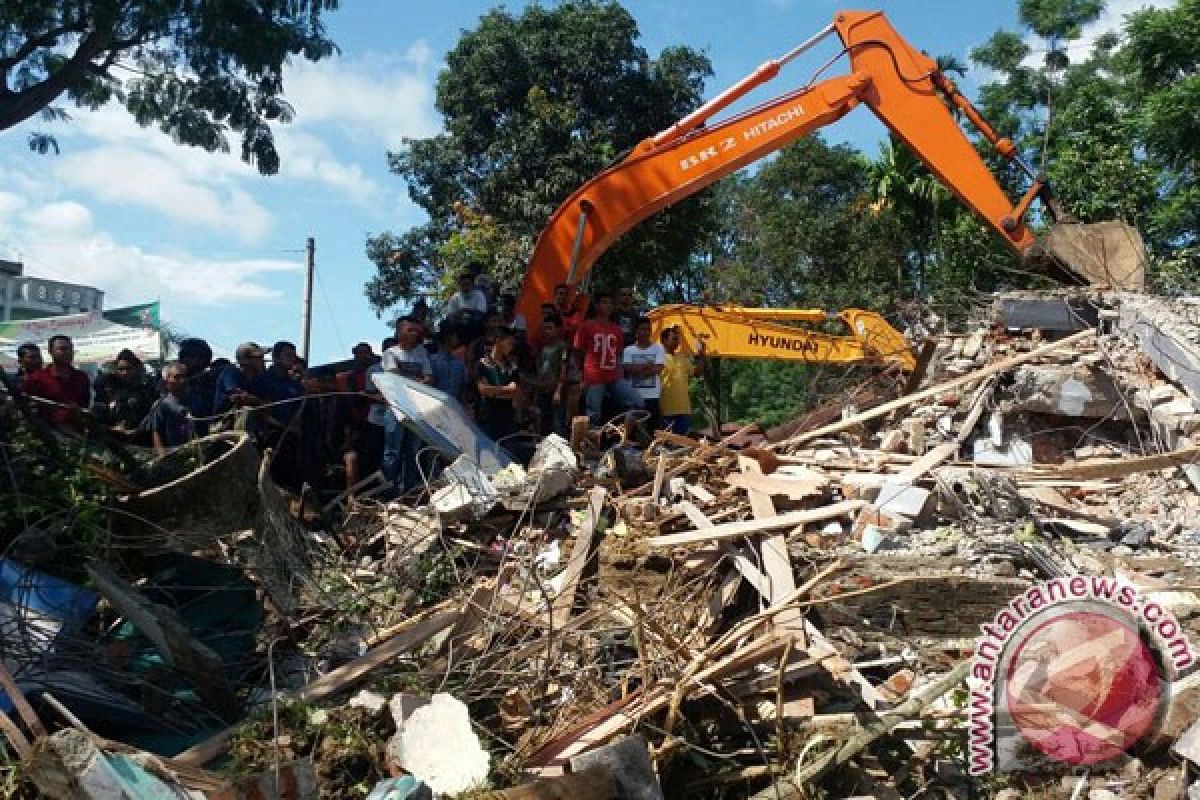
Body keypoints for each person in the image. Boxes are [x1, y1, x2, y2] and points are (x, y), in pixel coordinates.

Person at [573, 291, 643, 425]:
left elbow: (618, 354)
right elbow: (577, 352)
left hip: (614, 376)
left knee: (637, 402)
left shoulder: (617, 330)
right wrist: (581, 374)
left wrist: (620, 374)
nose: (608, 306)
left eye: (610, 303)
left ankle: (623, 433)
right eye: (604, 302)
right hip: (594, 377)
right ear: (597, 305)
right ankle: (591, 443)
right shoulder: (586, 326)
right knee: (593, 413)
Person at [380, 318, 433, 491]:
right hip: (395, 409)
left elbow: (429, 378)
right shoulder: (390, 353)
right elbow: (394, 379)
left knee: (413, 450)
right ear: (399, 332)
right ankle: (388, 488)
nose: (415, 333)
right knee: (393, 450)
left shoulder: (421, 352)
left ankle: (409, 489)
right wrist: (417, 382)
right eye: (410, 330)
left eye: (416, 330)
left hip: (416, 409)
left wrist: (410, 381)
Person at [336, 343, 386, 495]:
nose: (363, 356)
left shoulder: (379, 372)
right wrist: (366, 395)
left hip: (378, 421)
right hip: (359, 422)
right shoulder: (351, 376)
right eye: (360, 353)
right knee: (362, 458)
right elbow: (353, 399)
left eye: (366, 352)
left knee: (378, 456)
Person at [22, 335, 90, 431]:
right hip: (48, 432)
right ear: (51, 352)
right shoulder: (36, 378)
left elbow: (85, 406)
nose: (68, 352)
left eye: (70, 349)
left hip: (77, 431)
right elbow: (25, 406)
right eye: (62, 349)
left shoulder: (81, 377)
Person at [92, 349, 157, 433]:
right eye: (121, 369)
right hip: (112, 436)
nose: (124, 372)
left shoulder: (145, 390)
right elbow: (98, 417)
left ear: (135, 368)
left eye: (128, 368)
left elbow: (151, 418)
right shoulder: (108, 387)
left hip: (140, 436)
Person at [476, 329, 522, 442]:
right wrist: (506, 389)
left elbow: (516, 392)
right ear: (498, 341)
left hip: (508, 418)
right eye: (509, 343)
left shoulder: (512, 366)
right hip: (488, 417)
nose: (511, 347)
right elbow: (483, 390)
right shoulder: (482, 364)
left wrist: (495, 392)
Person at [659, 326, 706, 434]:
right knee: (667, 445)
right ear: (664, 341)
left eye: (678, 339)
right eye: (674, 339)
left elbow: (697, 372)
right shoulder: (658, 358)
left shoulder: (682, 358)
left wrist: (702, 354)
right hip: (665, 410)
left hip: (683, 410)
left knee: (681, 444)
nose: (677, 342)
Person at [622, 318, 666, 430]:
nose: (646, 332)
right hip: (634, 395)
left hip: (653, 396)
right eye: (642, 329)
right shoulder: (628, 350)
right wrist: (647, 365)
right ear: (636, 331)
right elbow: (627, 368)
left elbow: (659, 368)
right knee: (633, 428)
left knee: (653, 428)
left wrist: (638, 371)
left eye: (648, 329)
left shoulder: (658, 348)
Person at [142, 361, 194, 454]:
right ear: (166, 381)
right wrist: (162, 455)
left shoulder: (194, 400)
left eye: (184, 377)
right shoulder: (161, 404)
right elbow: (156, 432)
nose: (182, 381)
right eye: (177, 377)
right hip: (173, 454)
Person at [532, 315, 568, 435]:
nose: (546, 331)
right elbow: (541, 369)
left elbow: (564, 369)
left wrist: (558, 390)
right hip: (543, 388)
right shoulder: (544, 348)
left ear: (558, 329)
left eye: (550, 328)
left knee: (557, 422)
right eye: (545, 328)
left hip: (555, 390)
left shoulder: (562, 346)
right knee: (543, 420)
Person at [213, 342, 267, 416]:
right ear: (246, 360)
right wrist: (258, 401)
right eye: (259, 357)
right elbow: (238, 397)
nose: (263, 361)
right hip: (225, 422)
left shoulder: (258, 379)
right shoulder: (231, 372)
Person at [178, 338, 218, 434]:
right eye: (184, 355)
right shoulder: (173, 380)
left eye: (192, 356)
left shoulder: (211, 381)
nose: (185, 360)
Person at [429, 327, 467, 403]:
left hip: (455, 405)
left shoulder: (459, 364)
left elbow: (462, 387)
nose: (457, 339)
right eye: (455, 336)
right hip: (435, 403)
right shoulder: (432, 360)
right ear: (448, 338)